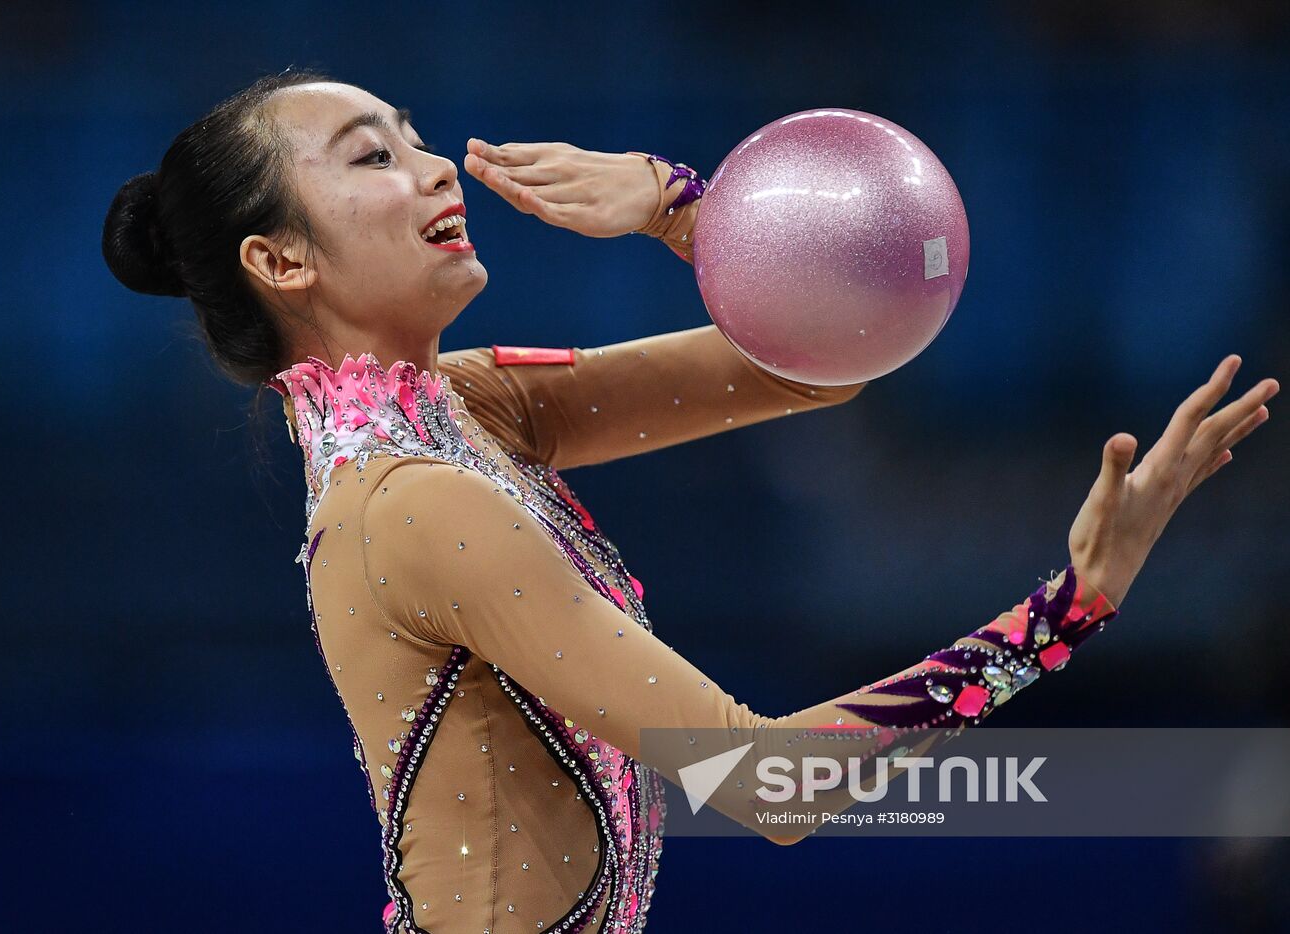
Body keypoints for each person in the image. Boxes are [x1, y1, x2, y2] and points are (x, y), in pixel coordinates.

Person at [102, 70, 1278, 933]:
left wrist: (681, 208)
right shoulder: (410, 502)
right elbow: (765, 784)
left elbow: (830, 352)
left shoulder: (467, 411)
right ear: (280, 261)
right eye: (370, 156)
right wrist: (1064, 611)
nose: (434, 167)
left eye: (415, 137)